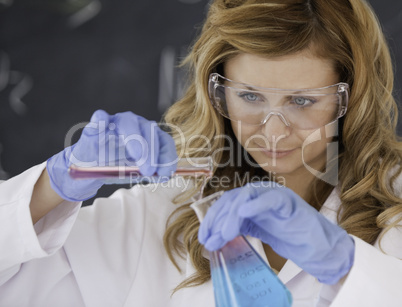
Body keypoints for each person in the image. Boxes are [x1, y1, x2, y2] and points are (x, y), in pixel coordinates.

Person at [1, 0, 402, 306]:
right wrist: (50, 188)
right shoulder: (156, 216)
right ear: (218, 92)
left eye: (302, 100)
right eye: (249, 96)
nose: (274, 131)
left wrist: (345, 265)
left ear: (351, 96)